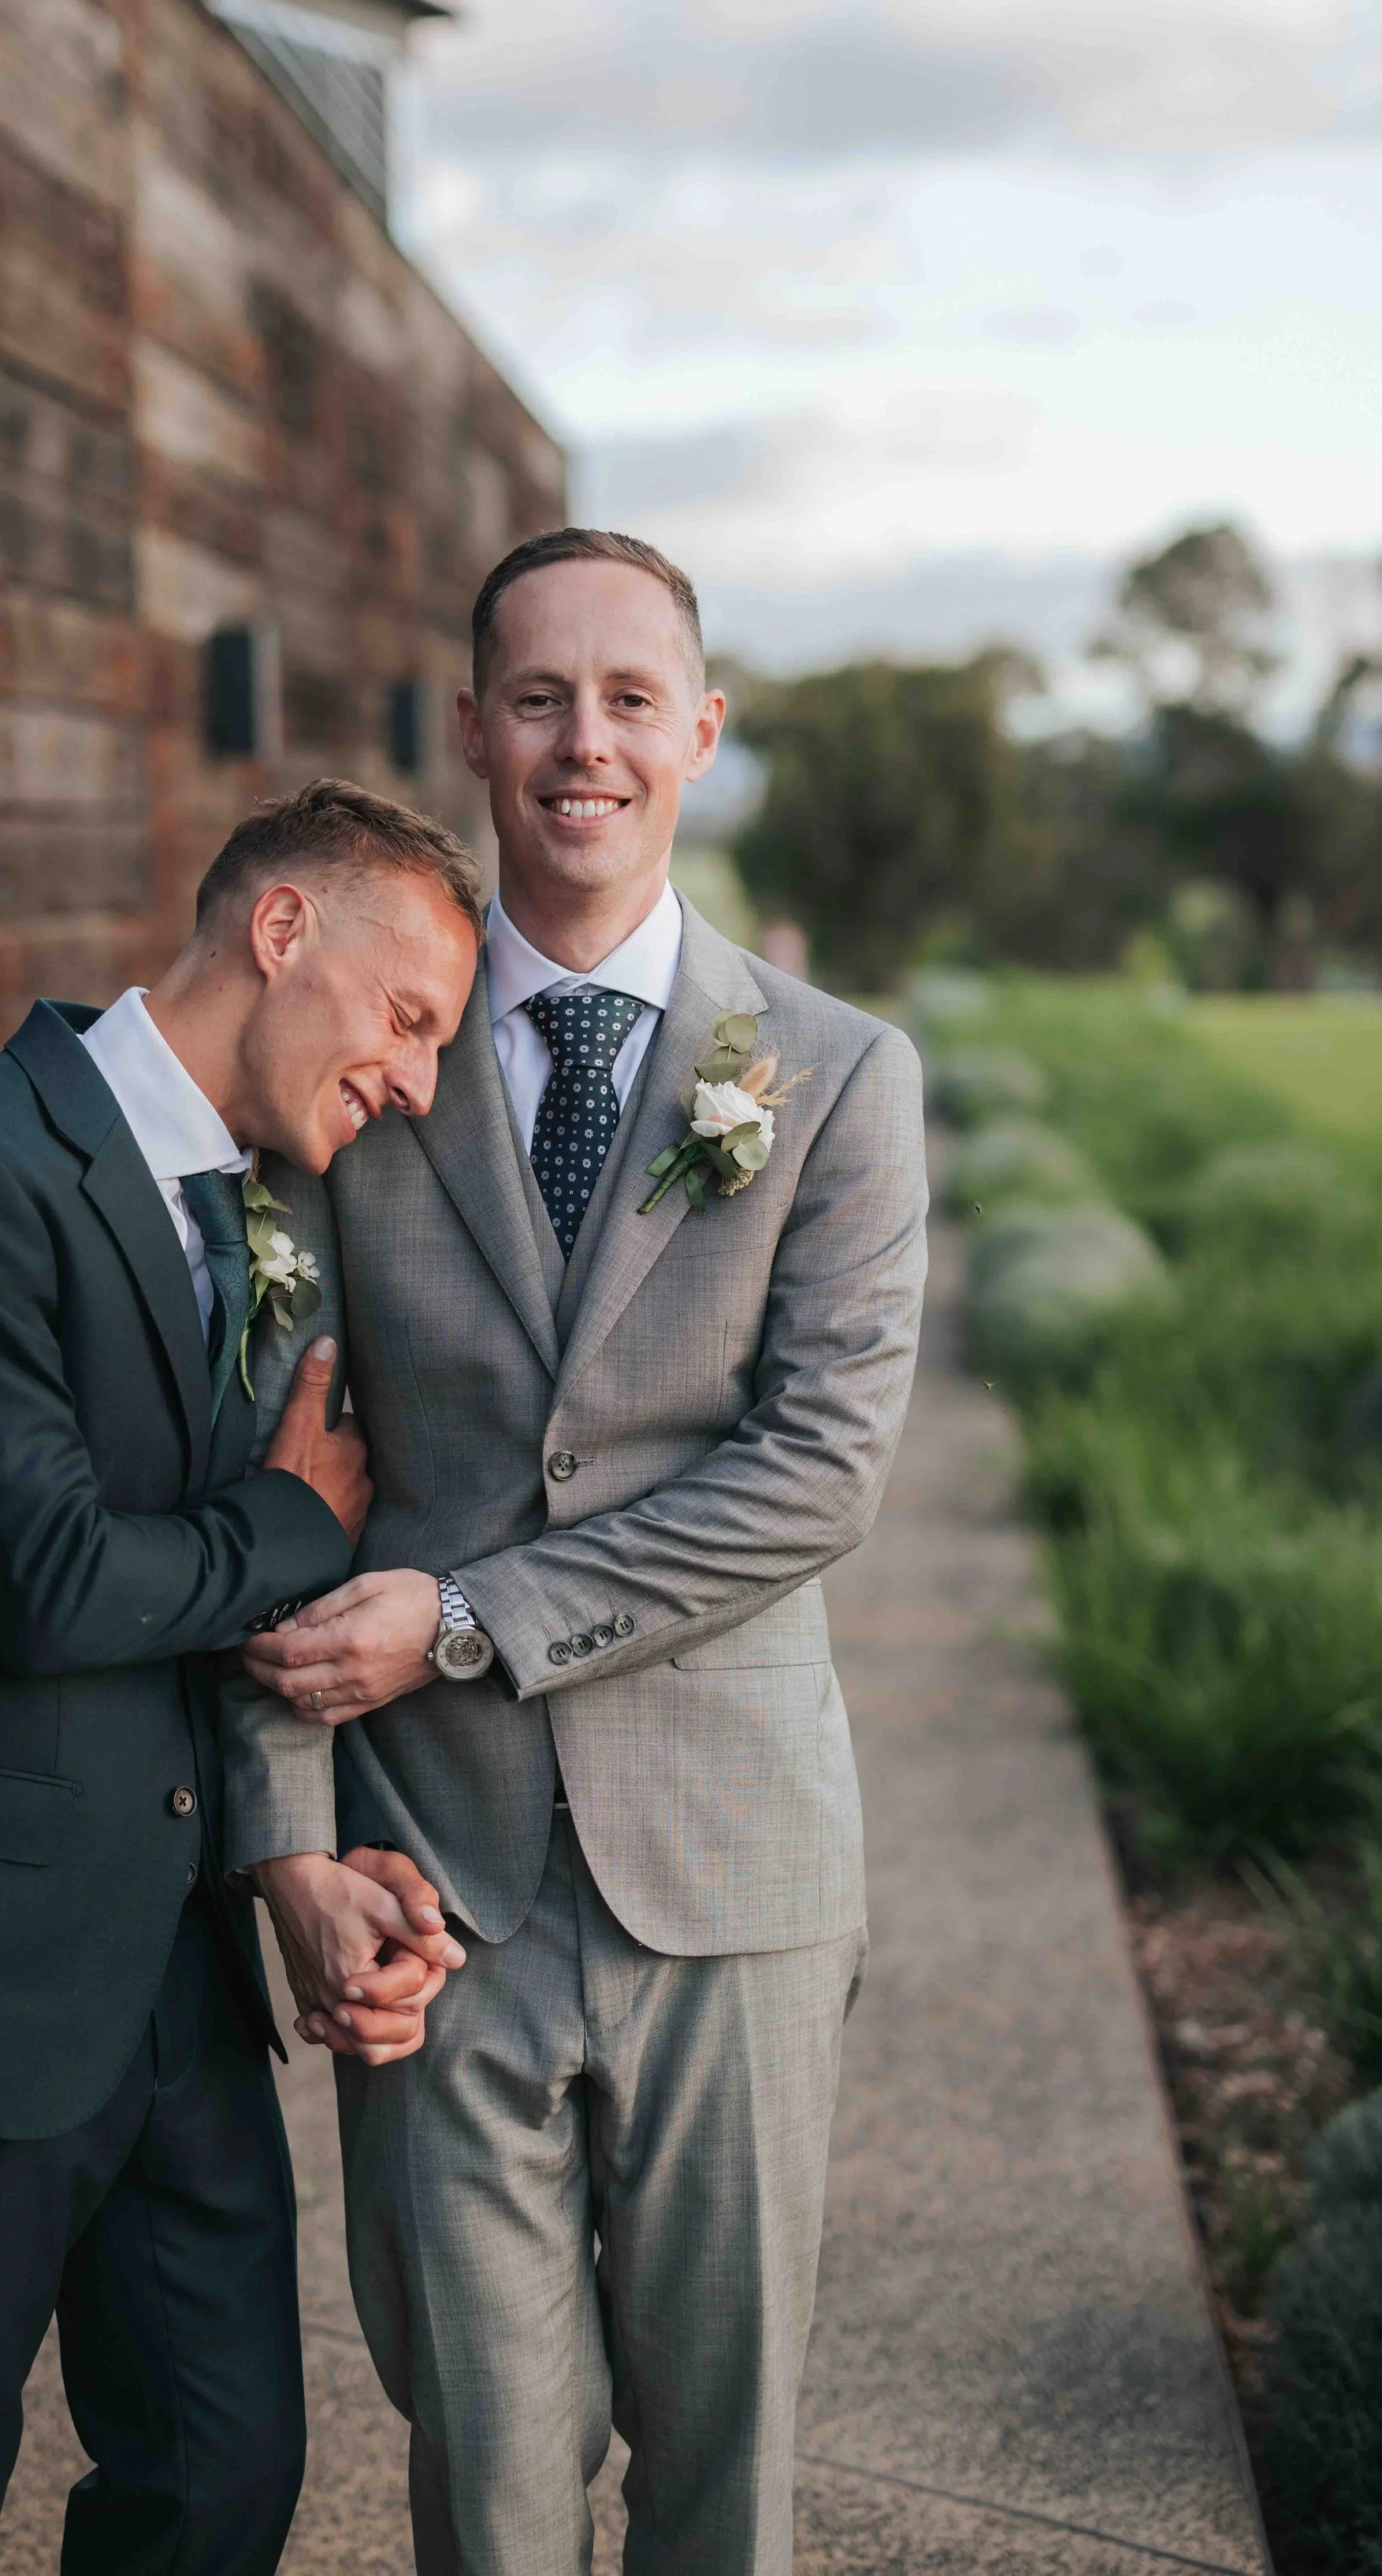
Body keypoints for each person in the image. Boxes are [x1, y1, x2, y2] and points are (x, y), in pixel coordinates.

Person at [231, 530, 930, 2576]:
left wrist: (461, 1618)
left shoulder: (833, 1079)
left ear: (699, 732)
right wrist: (284, 1834)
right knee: (485, 2477)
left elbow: (815, 1470)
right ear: (470, 728)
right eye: (538, 694)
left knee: (722, 2478)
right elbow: (272, 1466)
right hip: (432, 1884)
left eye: (629, 697)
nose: (582, 740)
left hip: (733, 1878)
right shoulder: (361, 1057)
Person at [0, 779, 481, 2576]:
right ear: (279, 929)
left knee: (220, 2480)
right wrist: (297, 1522)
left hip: (174, 1989)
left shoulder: (276, 1201)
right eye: (407, 1018)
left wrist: (292, 1854)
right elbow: (45, 1583)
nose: (419, 1080)